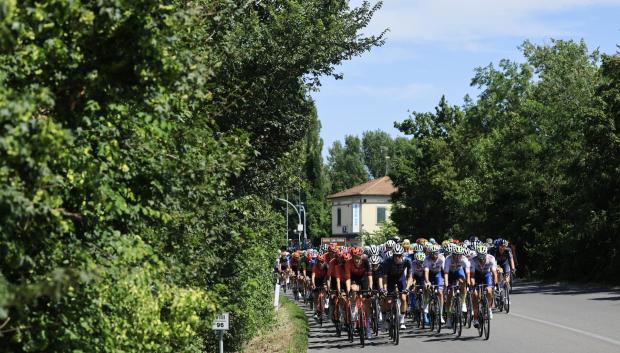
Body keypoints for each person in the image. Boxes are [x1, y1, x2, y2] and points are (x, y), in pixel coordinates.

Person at [379, 244, 412, 329]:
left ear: (402, 255)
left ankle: (402, 320)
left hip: (401, 279)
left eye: (399, 255)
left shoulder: (407, 261)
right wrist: (385, 289)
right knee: (388, 301)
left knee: (403, 298)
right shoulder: (387, 262)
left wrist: (407, 288)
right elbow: (384, 278)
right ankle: (386, 317)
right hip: (389, 280)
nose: (397, 257)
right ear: (393, 255)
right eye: (396, 255)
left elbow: (410, 277)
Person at [345, 246, 374, 340]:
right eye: (354, 257)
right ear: (351, 257)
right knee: (353, 290)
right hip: (353, 278)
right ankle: (353, 309)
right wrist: (349, 289)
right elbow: (348, 279)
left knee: (367, 302)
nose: (356, 260)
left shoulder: (366, 262)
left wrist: (370, 288)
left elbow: (370, 277)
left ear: (361, 256)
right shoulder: (348, 263)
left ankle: (368, 327)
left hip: (364, 278)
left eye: (358, 257)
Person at [443, 245, 471, 327]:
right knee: (450, 295)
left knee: (463, 282)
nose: (458, 257)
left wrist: (468, 281)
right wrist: (447, 283)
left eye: (460, 255)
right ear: (453, 254)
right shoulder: (448, 259)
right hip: (450, 274)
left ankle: (463, 303)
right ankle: (448, 318)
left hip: (459, 271)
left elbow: (468, 272)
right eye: (456, 255)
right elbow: (446, 273)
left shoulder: (464, 259)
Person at [472, 244, 497, 328]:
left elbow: (494, 272)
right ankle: (475, 318)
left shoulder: (491, 258)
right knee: (475, 295)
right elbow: (472, 275)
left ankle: (489, 308)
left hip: (487, 275)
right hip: (477, 276)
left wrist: (496, 283)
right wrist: (472, 285)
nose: (481, 258)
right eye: (480, 256)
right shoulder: (473, 260)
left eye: (483, 256)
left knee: (489, 291)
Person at [423, 244, 445, 324]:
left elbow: (445, 270)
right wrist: (427, 281)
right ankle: (426, 307)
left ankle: (441, 314)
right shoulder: (426, 259)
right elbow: (426, 272)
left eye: (436, 253)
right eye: (432, 254)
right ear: (429, 254)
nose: (434, 256)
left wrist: (446, 281)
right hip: (429, 274)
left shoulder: (442, 258)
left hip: (438, 274)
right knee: (426, 288)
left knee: (440, 292)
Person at [312, 254, 329, 320]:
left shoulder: (326, 267)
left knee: (324, 293)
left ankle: (325, 304)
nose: (320, 263)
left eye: (322, 262)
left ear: (324, 261)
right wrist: (313, 285)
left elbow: (328, 277)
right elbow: (313, 276)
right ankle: (315, 312)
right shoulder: (315, 266)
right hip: (316, 280)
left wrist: (327, 286)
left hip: (323, 280)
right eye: (319, 261)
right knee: (316, 297)